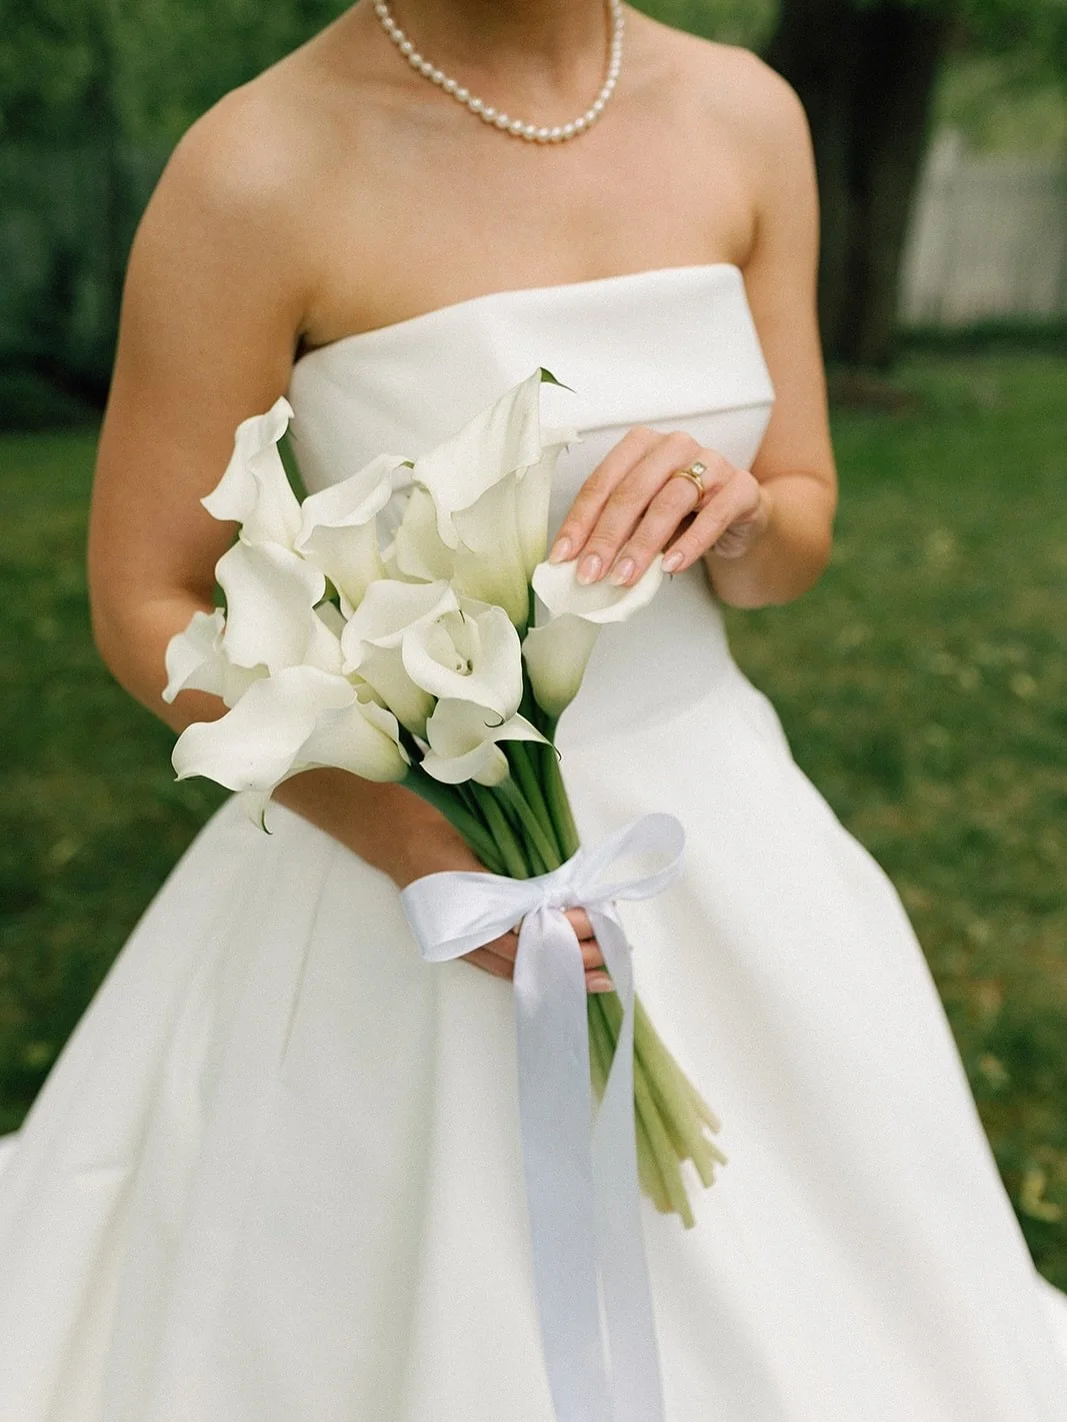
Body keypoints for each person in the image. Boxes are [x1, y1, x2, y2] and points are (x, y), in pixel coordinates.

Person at [0, 1, 1064, 1417]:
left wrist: (735, 518)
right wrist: (411, 843)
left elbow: (796, 513)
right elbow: (148, 593)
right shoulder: (255, 167)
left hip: (721, 841)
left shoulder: (746, 113)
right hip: (414, 859)